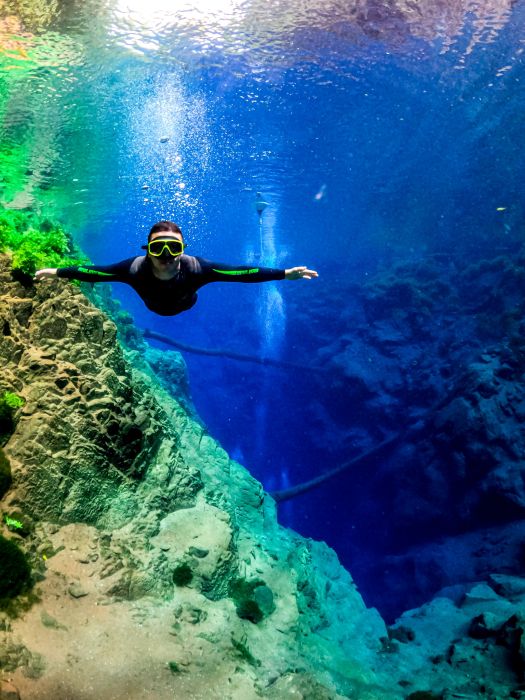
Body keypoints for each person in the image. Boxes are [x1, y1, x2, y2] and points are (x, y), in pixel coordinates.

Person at [34, 220, 318, 316]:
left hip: (186, 303)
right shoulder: (133, 269)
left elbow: (241, 273)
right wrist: (57, 272)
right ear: (147, 250)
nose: (167, 255)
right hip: (153, 306)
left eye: (174, 248)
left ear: (183, 251)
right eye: (159, 248)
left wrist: (283, 274)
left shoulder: (197, 269)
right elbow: (96, 272)